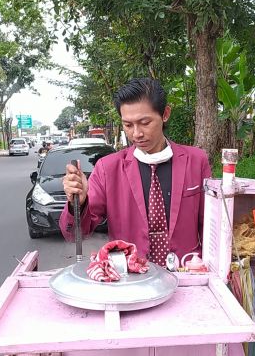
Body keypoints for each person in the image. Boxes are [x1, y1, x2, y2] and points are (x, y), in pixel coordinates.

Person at [60, 78, 212, 266]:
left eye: (145, 122)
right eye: (128, 125)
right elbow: (75, 234)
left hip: (187, 274)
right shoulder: (108, 168)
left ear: (165, 114)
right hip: (130, 280)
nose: (136, 134)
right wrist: (78, 203)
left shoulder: (196, 161)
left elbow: (210, 225)